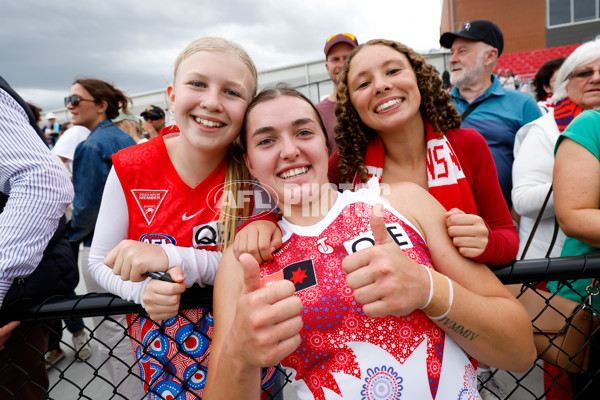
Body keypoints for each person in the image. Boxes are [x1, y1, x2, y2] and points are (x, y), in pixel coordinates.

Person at [203, 86, 536, 399]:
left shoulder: (404, 202)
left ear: (325, 144)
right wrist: (240, 355)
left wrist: (427, 289)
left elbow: (520, 350)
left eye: (304, 133)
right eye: (266, 141)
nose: (290, 151)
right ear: (249, 163)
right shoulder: (246, 259)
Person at [90, 37, 279, 399]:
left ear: (247, 110)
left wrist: (171, 258)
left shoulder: (256, 173)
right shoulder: (131, 168)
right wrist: (142, 290)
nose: (211, 101)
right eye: (197, 84)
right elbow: (99, 262)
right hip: (162, 367)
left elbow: (263, 265)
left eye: (232, 92)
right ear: (172, 96)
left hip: (250, 364)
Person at [329, 38, 518, 269]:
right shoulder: (346, 163)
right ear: (352, 106)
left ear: (419, 79)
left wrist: (488, 243)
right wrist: (269, 221)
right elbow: (292, 206)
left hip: (466, 300)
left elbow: (508, 237)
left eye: (393, 71)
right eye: (363, 84)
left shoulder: (468, 145)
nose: (380, 85)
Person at [0, 75, 77, 399]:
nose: (70, 107)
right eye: (67, 101)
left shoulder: (79, 138)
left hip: (19, 291)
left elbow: (44, 181)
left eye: (76, 101)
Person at [512, 41, 600, 261]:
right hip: (554, 264)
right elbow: (522, 199)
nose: (596, 78)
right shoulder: (543, 129)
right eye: (584, 73)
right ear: (565, 84)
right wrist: (580, 183)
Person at [440, 20, 541, 209]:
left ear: (490, 56)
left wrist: (517, 219)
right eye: (452, 52)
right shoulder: (435, 104)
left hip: (500, 222)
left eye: (462, 51)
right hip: (441, 215)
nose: (452, 59)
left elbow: (539, 168)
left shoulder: (523, 105)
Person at [550, 48, 600, 400]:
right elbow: (574, 215)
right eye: (584, 72)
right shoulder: (590, 124)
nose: (596, 77)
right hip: (593, 306)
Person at [315, 33, 358, 156]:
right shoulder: (316, 113)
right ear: (327, 67)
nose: (341, 64)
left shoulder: (372, 101)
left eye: (347, 58)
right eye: (335, 59)